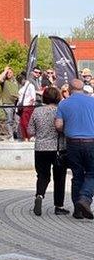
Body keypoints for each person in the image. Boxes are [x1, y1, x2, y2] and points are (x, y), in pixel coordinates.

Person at [55, 79, 94, 220]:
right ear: (83, 88)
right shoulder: (92, 102)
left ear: (70, 89)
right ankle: (85, 199)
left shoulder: (64, 104)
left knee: (77, 175)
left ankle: (78, 210)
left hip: (72, 144)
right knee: (92, 173)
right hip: (91, 142)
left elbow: (58, 125)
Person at [28, 87, 68, 217]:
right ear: (57, 97)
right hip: (58, 148)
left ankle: (39, 195)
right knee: (59, 178)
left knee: (42, 175)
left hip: (40, 148)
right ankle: (59, 206)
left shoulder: (37, 111)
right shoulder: (60, 110)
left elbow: (30, 131)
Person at [0, 66, 19, 140]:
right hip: (7, 103)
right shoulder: (4, 82)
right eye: (7, 73)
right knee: (9, 120)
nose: (9, 74)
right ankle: (10, 136)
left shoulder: (16, 82)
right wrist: (5, 70)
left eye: (10, 72)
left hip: (16, 104)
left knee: (17, 121)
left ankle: (16, 134)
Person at [16, 72, 37, 140]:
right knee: (22, 123)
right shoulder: (23, 87)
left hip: (28, 107)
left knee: (26, 122)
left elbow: (33, 98)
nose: (20, 82)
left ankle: (29, 136)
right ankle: (25, 137)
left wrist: (29, 105)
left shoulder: (30, 86)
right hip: (22, 107)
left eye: (20, 80)